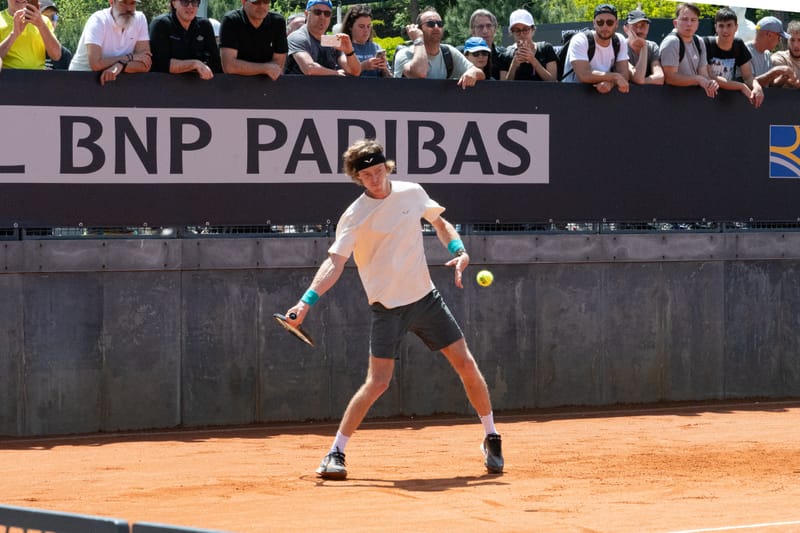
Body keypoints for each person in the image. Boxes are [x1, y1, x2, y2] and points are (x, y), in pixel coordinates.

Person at [283, 138, 504, 480]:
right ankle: (335, 453)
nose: (374, 179)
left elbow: (439, 222)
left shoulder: (411, 192)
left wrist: (459, 250)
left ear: (387, 167)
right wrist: (306, 301)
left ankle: (491, 436)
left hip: (426, 299)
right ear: (357, 178)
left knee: (466, 363)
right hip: (387, 308)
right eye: (366, 175)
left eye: (378, 171)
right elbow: (335, 263)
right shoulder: (354, 216)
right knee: (378, 382)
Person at [393, 6, 483, 88]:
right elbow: (420, 73)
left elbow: (480, 73)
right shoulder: (404, 54)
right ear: (419, 29)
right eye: (430, 24)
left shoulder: (448, 52)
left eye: (440, 24)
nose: (436, 27)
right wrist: (418, 39)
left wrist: (473, 73)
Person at [69, 0, 151, 85]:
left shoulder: (140, 19)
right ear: (111, 2)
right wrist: (129, 58)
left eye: (132, 3)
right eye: (123, 2)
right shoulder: (98, 20)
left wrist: (121, 65)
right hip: (81, 79)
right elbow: (96, 64)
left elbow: (145, 64)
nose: (129, 8)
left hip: (115, 80)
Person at [703, 7, 763, 108]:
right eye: (721, 26)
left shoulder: (738, 44)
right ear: (716, 27)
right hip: (704, 97)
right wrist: (741, 86)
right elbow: (710, 76)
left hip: (728, 100)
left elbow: (748, 77)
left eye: (729, 25)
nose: (725, 30)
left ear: (736, 27)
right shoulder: (706, 43)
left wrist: (756, 86)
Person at [562, 3, 629, 94]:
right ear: (594, 23)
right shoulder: (580, 39)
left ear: (616, 24)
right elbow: (583, 74)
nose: (605, 26)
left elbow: (624, 74)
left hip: (603, 95)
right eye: (600, 22)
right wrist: (614, 77)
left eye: (610, 22)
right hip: (572, 94)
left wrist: (610, 84)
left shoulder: (620, 40)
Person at [284, 0, 360, 76]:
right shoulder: (298, 37)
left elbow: (355, 72)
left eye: (327, 14)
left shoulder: (331, 40)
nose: (322, 17)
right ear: (307, 14)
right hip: (298, 83)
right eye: (317, 12)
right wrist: (336, 73)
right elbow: (309, 69)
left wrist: (349, 51)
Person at [150, 0, 222, 79]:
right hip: (163, 84)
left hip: (199, 84)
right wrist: (195, 64)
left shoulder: (205, 26)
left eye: (194, 2)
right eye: (185, 2)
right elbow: (161, 65)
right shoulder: (161, 24)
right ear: (174, 3)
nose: (190, 6)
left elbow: (216, 63)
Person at [660, 2, 718, 98]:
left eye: (693, 20)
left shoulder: (699, 41)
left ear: (698, 24)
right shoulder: (671, 42)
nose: (689, 24)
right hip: (671, 100)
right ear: (675, 23)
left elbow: (703, 73)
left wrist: (710, 82)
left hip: (693, 101)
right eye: (684, 19)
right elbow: (669, 78)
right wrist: (697, 79)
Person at [219, 0, 287, 79]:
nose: (261, 6)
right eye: (256, 2)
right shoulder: (231, 20)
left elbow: (278, 66)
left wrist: (249, 69)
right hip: (237, 83)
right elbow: (229, 66)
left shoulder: (278, 22)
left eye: (266, 1)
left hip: (267, 83)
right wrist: (265, 68)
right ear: (243, 2)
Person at [498, 8, 557, 82]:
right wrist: (513, 66)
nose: (522, 34)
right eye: (517, 30)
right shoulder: (506, 55)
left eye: (525, 29)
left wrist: (533, 60)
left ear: (533, 30)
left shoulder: (546, 49)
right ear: (512, 33)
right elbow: (503, 87)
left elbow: (553, 82)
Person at [0, 0, 62, 69]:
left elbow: (56, 56)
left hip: (38, 75)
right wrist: (14, 34)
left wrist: (41, 25)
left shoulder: (44, 21)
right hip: (7, 74)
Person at [341, 4, 390, 78]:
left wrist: (384, 69)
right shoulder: (343, 48)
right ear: (350, 26)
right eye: (361, 26)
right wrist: (364, 66)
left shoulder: (376, 47)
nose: (366, 30)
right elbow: (342, 75)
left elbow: (390, 78)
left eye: (368, 26)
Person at [747, 16, 796, 88]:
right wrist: (774, 71)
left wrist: (784, 77)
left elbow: (770, 85)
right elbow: (748, 84)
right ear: (769, 35)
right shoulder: (745, 51)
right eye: (779, 37)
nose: (779, 41)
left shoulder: (767, 54)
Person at [623, 8, 663, 85]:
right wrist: (644, 46)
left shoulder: (652, 47)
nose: (639, 30)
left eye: (643, 25)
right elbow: (638, 78)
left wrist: (643, 81)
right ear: (626, 29)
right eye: (634, 25)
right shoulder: (621, 46)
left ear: (648, 28)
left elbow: (660, 77)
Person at [465, 8, 504, 80]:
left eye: (489, 26)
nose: (485, 31)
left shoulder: (504, 56)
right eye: (480, 27)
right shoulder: (458, 54)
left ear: (495, 29)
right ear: (472, 31)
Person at [38, 0, 72, 69]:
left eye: (54, 17)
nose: (50, 22)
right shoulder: (25, 49)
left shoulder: (65, 55)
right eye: (45, 17)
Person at [771, 20, 800, 88]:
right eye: (792, 40)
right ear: (787, 40)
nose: (796, 45)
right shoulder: (779, 58)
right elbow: (775, 84)